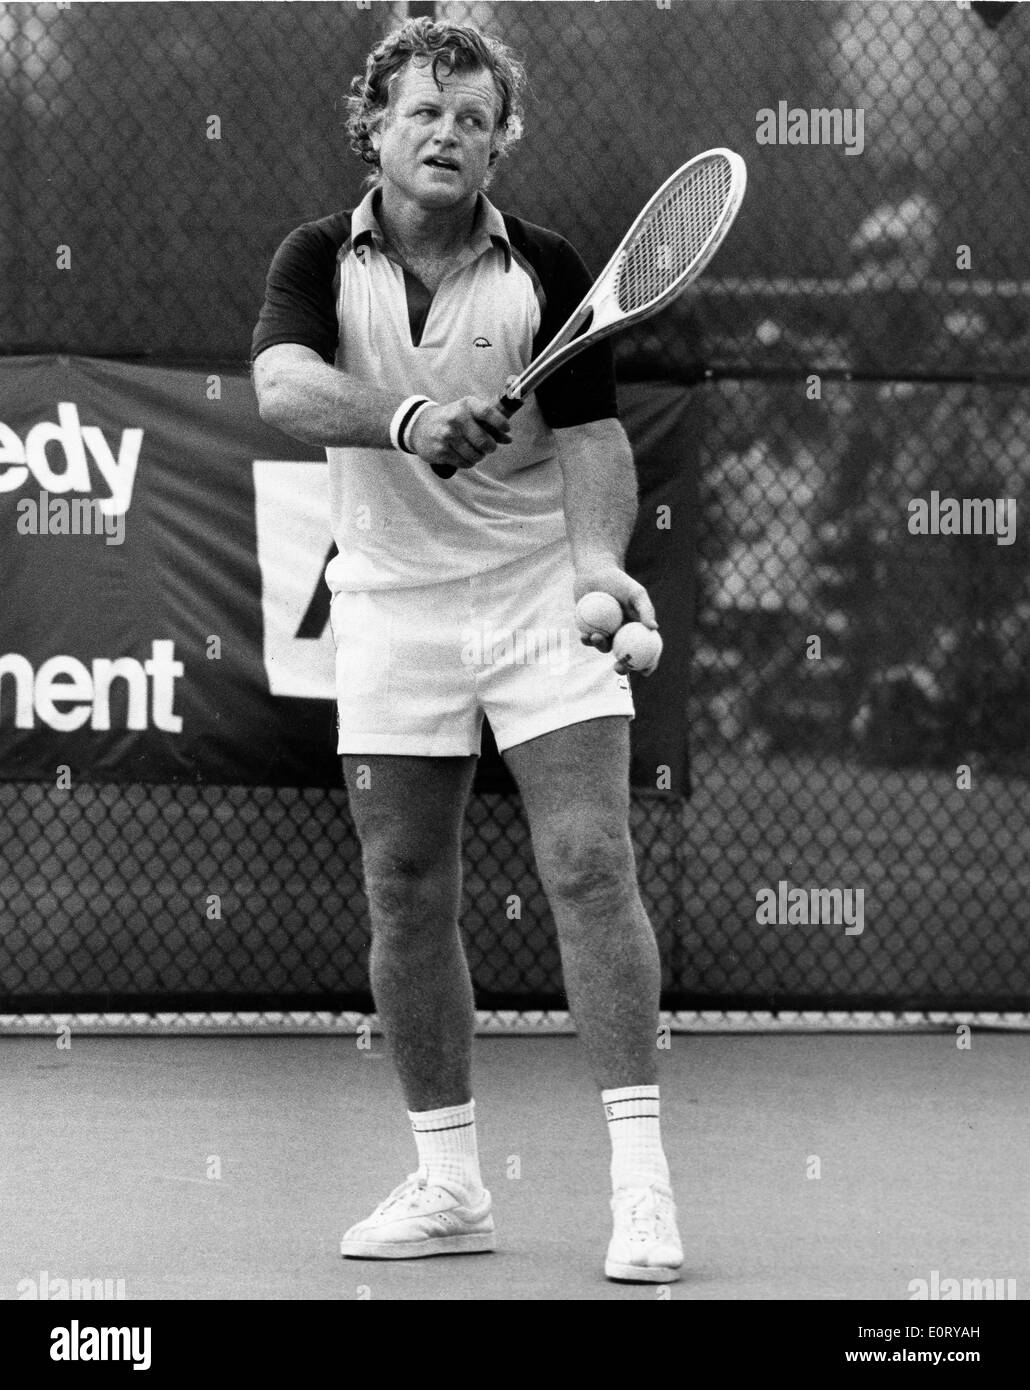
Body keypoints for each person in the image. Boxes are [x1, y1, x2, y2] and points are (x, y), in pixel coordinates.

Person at [251, 16, 682, 1284]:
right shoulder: (316, 256)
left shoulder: (546, 265)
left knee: (591, 862)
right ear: (374, 128)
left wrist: (600, 564)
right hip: (391, 603)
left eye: (474, 118)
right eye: (424, 113)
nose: (448, 134)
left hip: (539, 595)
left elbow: (594, 445)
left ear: (500, 142)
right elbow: (279, 383)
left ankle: (642, 1187)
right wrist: (409, 414)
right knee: (403, 883)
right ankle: (448, 1183)